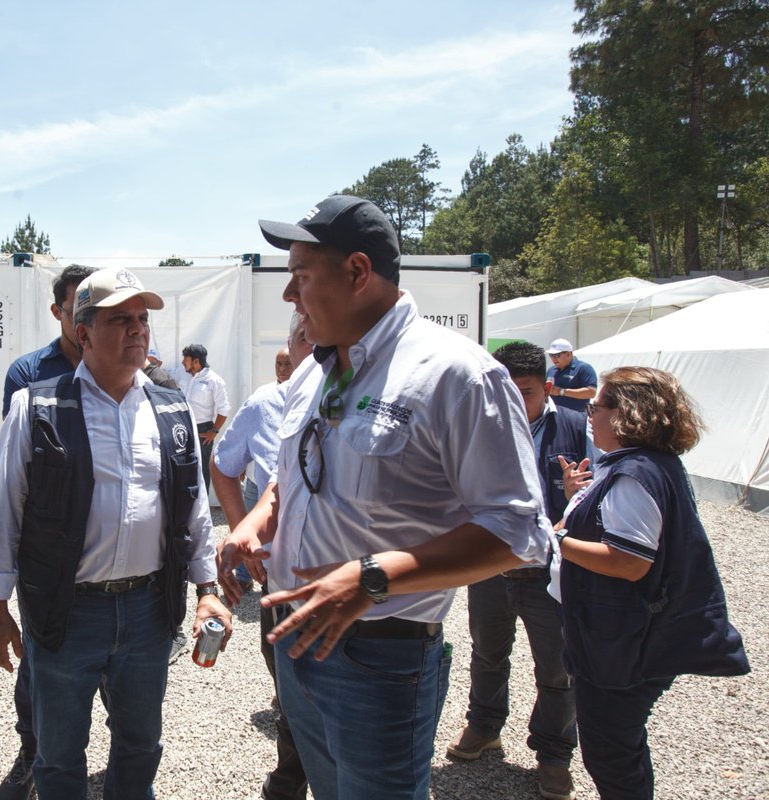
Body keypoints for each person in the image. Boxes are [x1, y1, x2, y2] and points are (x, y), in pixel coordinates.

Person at [218, 195, 550, 800]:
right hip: (295, 640)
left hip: (381, 661)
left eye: (300, 277)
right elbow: (290, 477)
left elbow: (518, 532)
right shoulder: (315, 372)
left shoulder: (456, 374)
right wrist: (258, 522)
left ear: (358, 273)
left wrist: (372, 578)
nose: (289, 296)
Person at [0, 268, 231, 799]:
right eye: (121, 319)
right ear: (82, 331)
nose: (138, 329)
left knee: (140, 743)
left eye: (142, 318)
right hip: (67, 612)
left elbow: (192, 511)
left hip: (147, 612)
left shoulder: (171, 406)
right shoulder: (37, 405)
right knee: (59, 753)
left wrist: (208, 591)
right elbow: (4, 513)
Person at [553, 366, 748, 800]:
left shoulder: (635, 473)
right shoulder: (649, 465)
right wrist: (576, 500)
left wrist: (555, 540)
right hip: (624, 638)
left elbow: (628, 562)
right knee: (617, 746)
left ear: (628, 415)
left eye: (597, 406)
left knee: (611, 754)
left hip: (623, 644)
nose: (589, 413)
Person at [446, 341, 588, 800]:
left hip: (549, 573)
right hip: (489, 568)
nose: (513, 402)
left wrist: (574, 495)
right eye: (505, 390)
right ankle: (484, 727)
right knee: (488, 653)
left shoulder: (575, 426)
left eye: (524, 392)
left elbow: (603, 495)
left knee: (556, 668)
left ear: (547, 388)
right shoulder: (481, 425)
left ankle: (553, 754)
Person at [0, 263, 95, 800]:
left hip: (115, 557)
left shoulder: (135, 368)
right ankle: (32, 753)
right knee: (37, 667)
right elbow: (18, 472)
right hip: (49, 556)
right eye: (80, 305)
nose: (88, 316)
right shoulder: (28, 372)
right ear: (58, 311)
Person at [211, 313, 312, 800]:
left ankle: (291, 780)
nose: (306, 348)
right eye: (300, 337)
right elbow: (238, 471)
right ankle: (289, 777)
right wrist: (242, 529)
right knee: (290, 683)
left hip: (360, 602)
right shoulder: (266, 406)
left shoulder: (356, 398)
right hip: (279, 581)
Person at [2, 264, 97, 419]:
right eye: (76, 313)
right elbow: (15, 439)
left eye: (93, 312)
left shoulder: (118, 370)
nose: (86, 323)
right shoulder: (27, 372)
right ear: (56, 312)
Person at [178, 343, 230, 492]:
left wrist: (214, 431)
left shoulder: (214, 380)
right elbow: (164, 375)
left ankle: (202, 508)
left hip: (203, 431)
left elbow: (224, 408)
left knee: (202, 470)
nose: (182, 362)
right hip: (183, 427)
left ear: (196, 361)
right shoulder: (182, 373)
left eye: (185, 359)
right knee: (184, 467)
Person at [545, 339, 597, 412]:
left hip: (576, 417)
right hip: (554, 415)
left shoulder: (584, 368)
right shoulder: (551, 370)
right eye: (551, 355)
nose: (553, 358)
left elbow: (591, 393)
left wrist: (562, 391)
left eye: (556, 355)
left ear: (569, 354)